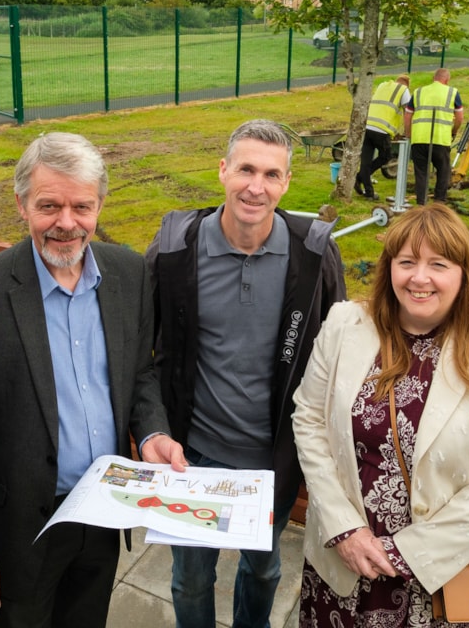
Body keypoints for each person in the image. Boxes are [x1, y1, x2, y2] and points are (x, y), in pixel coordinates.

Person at [0, 131, 186, 628]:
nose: (67, 224)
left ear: (100, 206)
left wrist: (153, 432)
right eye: (49, 205)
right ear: (21, 204)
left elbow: (138, 374)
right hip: (20, 529)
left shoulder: (131, 274)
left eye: (82, 207)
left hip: (102, 512)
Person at [292, 203, 469, 627]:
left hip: (450, 573)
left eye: (438, 264)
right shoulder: (345, 324)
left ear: (463, 273)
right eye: (406, 261)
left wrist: (407, 552)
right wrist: (343, 529)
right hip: (345, 562)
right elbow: (309, 420)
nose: (419, 277)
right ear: (389, 267)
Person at [145, 119, 346, 628]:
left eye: (271, 174)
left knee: (263, 572)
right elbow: (141, 351)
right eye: (246, 169)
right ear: (223, 171)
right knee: (190, 579)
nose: (256, 187)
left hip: (272, 457)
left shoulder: (314, 255)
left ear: (286, 182)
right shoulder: (175, 251)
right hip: (194, 456)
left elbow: (336, 353)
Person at [405, 68, 463, 204]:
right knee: (443, 171)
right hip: (441, 139)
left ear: (433, 78)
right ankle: (439, 201)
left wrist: (408, 134)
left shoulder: (418, 92)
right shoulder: (452, 92)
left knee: (421, 172)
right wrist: (453, 132)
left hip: (419, 138)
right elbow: (459, 118)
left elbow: (408, 115)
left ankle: (421, 202)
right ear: (447, 80)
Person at [356, 74, 409, 200]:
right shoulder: (403, 90)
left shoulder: (382, 86)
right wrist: (407, 132)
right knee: (386, 156)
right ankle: (359, 178)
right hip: (382, 130)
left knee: (366, 161)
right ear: (407, 84)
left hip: (367, 126)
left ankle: (368, 192)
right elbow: (408, 112)